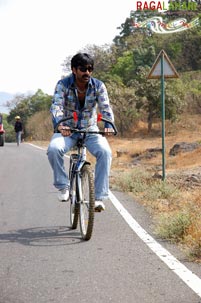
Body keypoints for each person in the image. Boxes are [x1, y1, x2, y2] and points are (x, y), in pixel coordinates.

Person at [47, 53, 115, 211]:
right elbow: (56, 106)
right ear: (74, 70)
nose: (87, 72)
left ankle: (98, 197)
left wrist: (108, 124)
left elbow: (105, 107)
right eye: (83, 69)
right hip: (67, 129)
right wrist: (60, 124)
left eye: (90, 69)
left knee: (105, 152)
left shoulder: (98, 86)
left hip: (90, 130)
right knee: (54, 149)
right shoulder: (63, 85)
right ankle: (63, 186)